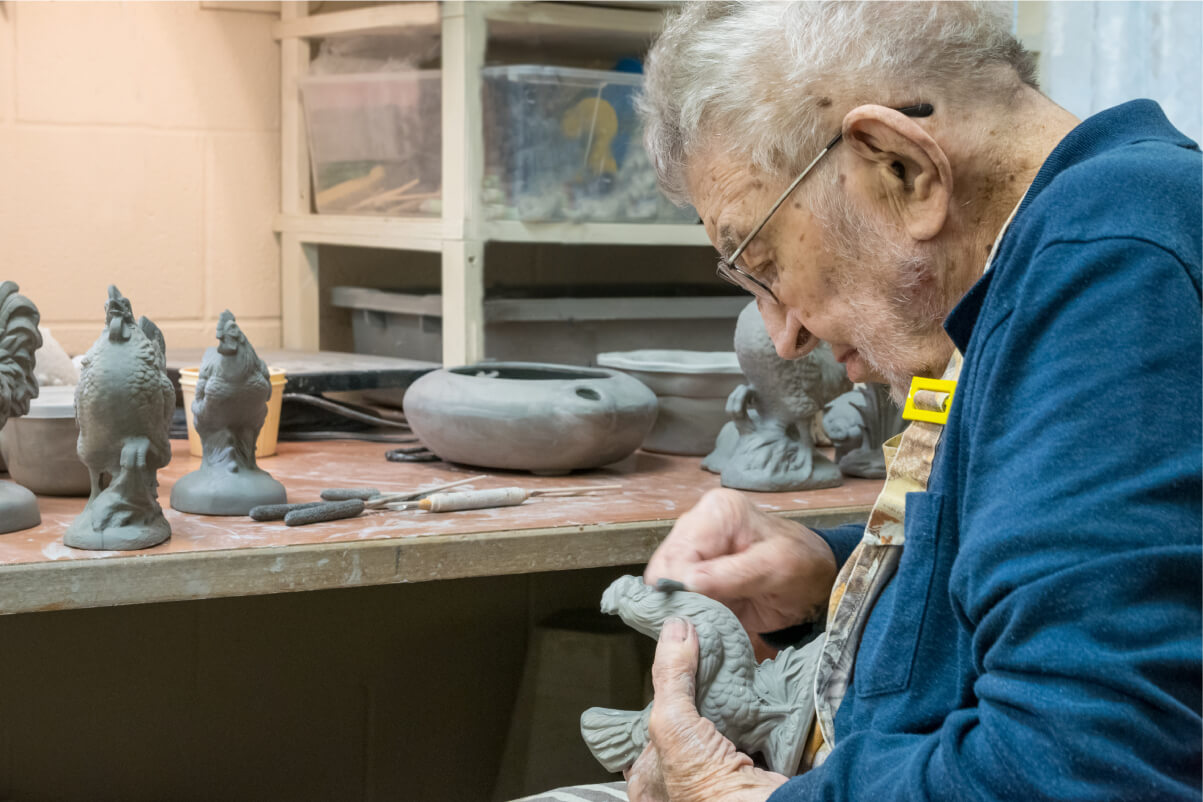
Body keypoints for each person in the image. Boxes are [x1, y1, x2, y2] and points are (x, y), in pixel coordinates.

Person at [587, 2, 1200, 801]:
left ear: (899, 168)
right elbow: (1068, 577)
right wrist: (839, 571)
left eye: (762, 261)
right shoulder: (1057, 248)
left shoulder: (1110, 263)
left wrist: (739, 798)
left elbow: (1079, 771)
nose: (783, 337)